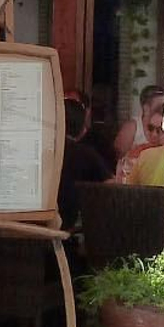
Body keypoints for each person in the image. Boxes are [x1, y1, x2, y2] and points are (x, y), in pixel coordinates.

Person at [58, 97, 111, 228]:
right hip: (71, 224)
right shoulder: (86, 154)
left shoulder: (42, 150)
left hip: (36, 222)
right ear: (83, 130)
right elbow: (111, 187)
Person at [113, 84, 164, 165]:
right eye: (159, 107)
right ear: (146, 109)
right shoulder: (131, 128)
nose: (163, 110)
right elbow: (118, 157)